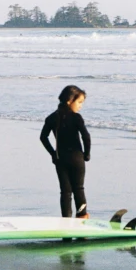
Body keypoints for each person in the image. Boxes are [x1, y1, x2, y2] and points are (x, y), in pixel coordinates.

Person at [40, 85, 91, 219]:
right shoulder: (76, 118)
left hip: (60, 159)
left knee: (65, 192)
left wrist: (52, 153)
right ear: (69, 100)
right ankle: (81, 217)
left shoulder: (52, 118)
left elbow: (43, 137)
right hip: (76, 158)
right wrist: (87, 154)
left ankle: (66, 220)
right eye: (79, 102)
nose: (80, 106)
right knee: (78, 188)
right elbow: (86, 136)